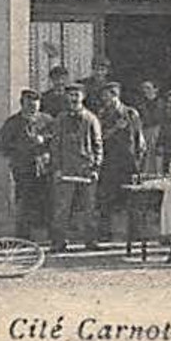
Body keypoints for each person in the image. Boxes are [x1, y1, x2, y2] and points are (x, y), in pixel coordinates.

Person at [48, 84, 103, 253]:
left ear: (83, 97)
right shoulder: (60, 119)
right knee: (62, 209)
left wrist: (96, 168)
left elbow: (98, 145)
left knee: (89, 208)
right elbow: (55, 146)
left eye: (76, 95)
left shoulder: (91, 119)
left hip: (86, 169)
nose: (73, 98)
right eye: (70, 95)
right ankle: (59, 242)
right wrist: (56, 168)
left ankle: (90, 241)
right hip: (65, 170)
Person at [0, 89, 54, 240]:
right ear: (22, 105)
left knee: (47, 201)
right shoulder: (13, 123)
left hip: (44, 168)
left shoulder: (47, 120)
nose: (33, 109)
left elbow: (58, 141)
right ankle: (24, 237)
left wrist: (45, 142)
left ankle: (49, 236)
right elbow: (3, 145)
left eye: (36, 106)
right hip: (23, 169)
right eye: (29, 106)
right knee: (24, 202)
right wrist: (18, 152)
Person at [93, 81, 144, 242]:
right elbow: (98, 138)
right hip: (109, 163)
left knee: (132, 200)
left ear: (116, 95)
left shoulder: (131, 113)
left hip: (128, 163)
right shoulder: (101, 115)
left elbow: (139, 139)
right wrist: (116, 128)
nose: (106, 99)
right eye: (104, 96)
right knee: (105, 200)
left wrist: (139, 160)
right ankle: (105, 234)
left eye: (108, 95)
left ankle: (135, 234)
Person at [135, 80, 165, 172]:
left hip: (158, 132)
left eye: (148, 88)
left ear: (155, 90)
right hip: (145, 132)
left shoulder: (161, 104)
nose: (145, 91)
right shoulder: (140, 104)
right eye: (143, 88)